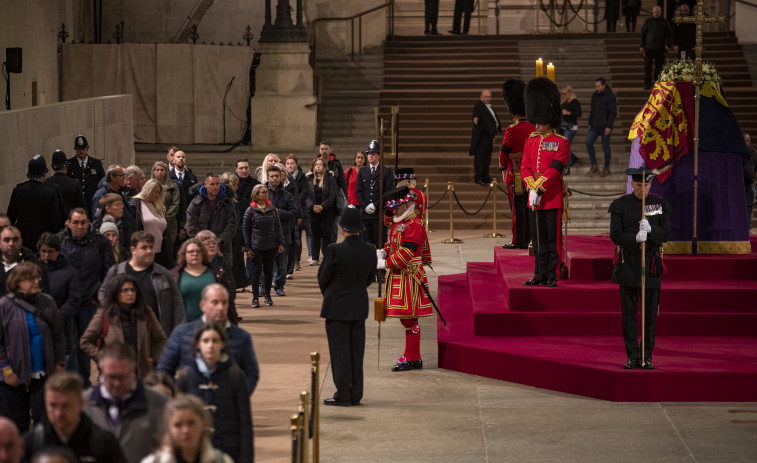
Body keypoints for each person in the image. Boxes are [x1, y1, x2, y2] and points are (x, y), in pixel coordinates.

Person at [610, 166, 670, 369]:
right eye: (638, 185)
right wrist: (634, 238)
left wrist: (652, 231)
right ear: (632, 184)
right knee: (629, 314)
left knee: (650, 315)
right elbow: (615, 235)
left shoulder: (658, 204)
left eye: (646, 185)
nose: (642, 189)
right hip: (628, 263)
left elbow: (666, 234)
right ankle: (632, 355)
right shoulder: (620, 205)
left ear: (650, 184)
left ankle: (647, 355)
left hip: (651, 264)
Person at [318, 207, 376, 406]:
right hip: (358, 305)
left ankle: (343, 395)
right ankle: (355, 394)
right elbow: (370, 278)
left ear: (342, 228)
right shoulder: (369, 249)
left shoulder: (334, 250)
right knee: (356, 352)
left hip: (336, 307)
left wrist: (332, 294)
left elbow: (323, 278)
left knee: (340, 353)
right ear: (359, 229)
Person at [156, 284, 259, 396]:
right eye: (215, 303)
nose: (220, 308)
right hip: (191, 408)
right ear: (203, 306)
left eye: (224, 303)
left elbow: (251, 374)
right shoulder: (181, 334)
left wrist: (237, 397)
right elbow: (163, 372)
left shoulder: (242, 337)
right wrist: (181, 396)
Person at [0, 262, 66, 432]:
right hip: (14, 376)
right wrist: (6, 371)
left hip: (43, 374)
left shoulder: (47, 302)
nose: (36, 281)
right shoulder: (4, 305)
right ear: (16, 282)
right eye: (29, 279)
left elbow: (58, 336)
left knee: (43, 422)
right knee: (18, 422)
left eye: (37, 277)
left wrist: (59, 364)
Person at [175, 323, 253, 463]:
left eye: (215, 341)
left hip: (228, 451)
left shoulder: (235, 376)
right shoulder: (186, 377)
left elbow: (245, 423)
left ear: (222, 344)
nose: (210, 346)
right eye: (205, 341)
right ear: (198, 344)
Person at [377, 186, 433, 372]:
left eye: (398, 207)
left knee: (410, 320)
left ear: (407, 204)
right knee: (408, 320)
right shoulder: (401, 223)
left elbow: (406, 253)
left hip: (409, 277)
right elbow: (394, 242)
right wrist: (385, 251)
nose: (394, 210)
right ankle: (413, 356)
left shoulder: (414, 226)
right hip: (400, 276)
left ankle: (412, 357)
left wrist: (386, 263)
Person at [82, 343, 168, 463]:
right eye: (111, 377)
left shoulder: (159, 403)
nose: (117, 383)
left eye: (122, 377)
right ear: (101, 370)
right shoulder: (82, 403)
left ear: (133, 370)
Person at [521, 77, 570, 288]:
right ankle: (539, 273)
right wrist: (531, 187)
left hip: (551, 198)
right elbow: (525, 166)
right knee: (537, 239)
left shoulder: (561, 142)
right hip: (534, 198)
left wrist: (539, 186)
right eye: (536, 121)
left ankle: (552, 273)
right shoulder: (530, 141)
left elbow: (556, 168)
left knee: (552, 240)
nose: (538, 125)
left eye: (541, 121)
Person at [58, 208, 115, 385]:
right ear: (69, 223)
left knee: (85, 345)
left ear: (89, 222)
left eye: (83, 222)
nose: (80, 226)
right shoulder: (60, 241)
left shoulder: (99, 242)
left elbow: (109, 271)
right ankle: (72, 384)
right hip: (66, 303)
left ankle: (83, 384)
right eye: (76, 222)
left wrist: (101, 297)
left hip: (89, 301)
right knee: (68, 346)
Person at [23, 372, 128, 463]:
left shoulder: (105, 443)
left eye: (66, 405)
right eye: (53, 405)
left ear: (81, 404)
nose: (59, 413)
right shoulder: (31, 444)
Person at [98, 231, 186, 337]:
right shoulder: (117, 272)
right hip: (125, 336)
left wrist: (180, 330)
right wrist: (111, 312)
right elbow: (103, 292)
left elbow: (177, 301)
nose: (149, 251)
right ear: (133, 250)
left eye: (151, 247)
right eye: (144, 248)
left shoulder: (164, 274)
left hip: (157, 336)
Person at [81, 274, 166, 378]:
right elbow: (85, 342)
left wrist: (153, 358)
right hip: (114, 374)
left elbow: (161, 339)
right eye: (125, 290)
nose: (130, 294)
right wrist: (103, 359)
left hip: (142, 374)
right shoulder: (105, 314)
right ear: (116, 294)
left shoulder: (145, 312)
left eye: (133, 290)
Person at [139, 395, 233, 463]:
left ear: (203, 424)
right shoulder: (153, 461)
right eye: (178, 425)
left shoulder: (223, 460)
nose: (185, 430)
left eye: (191, 423)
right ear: (169, 429)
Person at [499, 79, 535, 250]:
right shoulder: (534, 127)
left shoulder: (511, 129)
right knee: (529, 208)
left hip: (514, 174)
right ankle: (529, 238)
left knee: (517, 210)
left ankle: (517, 240)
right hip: (532, 174)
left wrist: (502, 167)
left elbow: (503, 153)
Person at [7, 155, 66, 252]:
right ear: (43, 174)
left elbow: (11, 218)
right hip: (44, 244)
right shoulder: (50, 192)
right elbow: (56, 221)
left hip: (23, 243)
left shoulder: (18, 190)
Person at [171, 239, 238, 322]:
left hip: (213, 326)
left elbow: (229, 303)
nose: (195, 254)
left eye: (198, 251)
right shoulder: (174, 276)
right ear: (184, 255)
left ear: (203, 253)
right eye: (191, 251)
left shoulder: (217, 273)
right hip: (184, 327)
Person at [36, 233, 81, 355]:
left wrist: (56, 317)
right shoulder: (33, 269)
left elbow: (74, 300)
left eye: (50, 252)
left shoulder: (69, 272)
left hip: (61, 328)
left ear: (58, 251)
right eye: (43, 251)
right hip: (37, 327)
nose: (46, 255)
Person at [242, 185, 284, 307]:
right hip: (256, 246)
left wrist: (281, 242)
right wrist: (248, 247)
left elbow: (278, 227)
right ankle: (255, 298)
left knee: (268, 272)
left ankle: (268, 296)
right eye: (263, 192)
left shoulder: (272, 209)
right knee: (256, 272)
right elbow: (245, 230)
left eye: (266, 192)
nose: (267, 194)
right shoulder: (250, 210)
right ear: (256, 195)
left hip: (270, 246)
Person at [185, 172, 236, 260]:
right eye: (212, 184)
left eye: (217, 184)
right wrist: (203, 242)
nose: (215, 187)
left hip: (222, 248)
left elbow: (232, 224)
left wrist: (218, 241)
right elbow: (191, 224)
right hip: (201, 248)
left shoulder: (227, 202)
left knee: (223, 272)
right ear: (205, 185)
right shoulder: (196, 202)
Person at [265, 165, 298, 296]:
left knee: (282, 265)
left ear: (281, 177)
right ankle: (264, 286)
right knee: (266, 264)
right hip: (266, 234)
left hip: (283, 234)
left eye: (277, 176)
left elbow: (293, 213)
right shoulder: (262, 193)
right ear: (267, 178)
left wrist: (278, 212)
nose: (274, 179)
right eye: (272, 176)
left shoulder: (287, 195)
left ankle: (279, 286)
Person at [356, 140, 394, 249]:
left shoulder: (386, 171)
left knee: (380, 244)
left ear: (379, 155)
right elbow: (358, 191)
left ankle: (380, 265)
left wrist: (375, 205)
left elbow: (388, 192)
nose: (370, 156)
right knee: (365, 244)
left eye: (373, 154)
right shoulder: (363, 171)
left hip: (379, 214)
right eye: (369, 154)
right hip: (365, 214)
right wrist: (364, 206)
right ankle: (367, 265)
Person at [129, 179, 171, 268]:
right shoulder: (135, 204)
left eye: (159, 192)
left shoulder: (159, 207)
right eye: (154, 192)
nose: (157, 195)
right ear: (147, 190)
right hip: (142, 251)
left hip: (160, 252)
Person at [0, 226, 50, 298]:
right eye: (6, 240)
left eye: (15, 240)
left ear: (21, 242)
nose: (11, 243)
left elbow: (42, 295)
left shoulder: (34, 266)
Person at [306, 157, 338, 266]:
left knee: (326, 235)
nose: (318, 166)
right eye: (316, 165)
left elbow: (333, 195)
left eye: (320, 164)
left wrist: (322, 206)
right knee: (314, 235)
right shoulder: (309, 179)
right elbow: (305, 196)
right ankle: (314, 257)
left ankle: (326, 256)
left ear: (324, 167)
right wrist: (312, 206)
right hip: (312, 211)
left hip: (327, 212)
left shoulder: (330, 178)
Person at [66, 135, 105, 218]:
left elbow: (102, 182)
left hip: (93, 205)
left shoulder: (96, 163)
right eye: (79, 149)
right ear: (75, 150)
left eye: (83, 149)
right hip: (76, 207)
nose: (81, 151)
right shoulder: (69, 164)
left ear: (87, 149)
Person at [585, 77, 617, 177]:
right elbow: (592, 110)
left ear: (604, 85)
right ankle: (594, 165)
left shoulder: (610, 96)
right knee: (588, 142)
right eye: (596, 86)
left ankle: (606, 168)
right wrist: (590, 122)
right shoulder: (595, 95)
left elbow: (613, 113)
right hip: (594, 125)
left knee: (605, 146)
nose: (597, 88)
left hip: (604, 126)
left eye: (598, 86)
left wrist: (609, 126)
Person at [640, 6, 676, 90]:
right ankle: (647, 84)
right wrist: (641, 45)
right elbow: (643, 34)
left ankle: (657, 84)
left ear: (660, 12)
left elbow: (669, 34)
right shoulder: (648, 21)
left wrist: (668, 45)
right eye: (655, 11)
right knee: (647, 68)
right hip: (648, 48)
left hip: (660, 48)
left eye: (658, 12)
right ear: (652, 12)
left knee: (659, 68)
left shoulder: (664, 22)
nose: (656, 13)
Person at [470, 89, 501, 185]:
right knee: (480, 157)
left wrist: (493, 135)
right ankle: (479, 177)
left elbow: (493, 121)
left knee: (487, 158)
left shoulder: (489, 107)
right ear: (481, 97)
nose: (488, 98)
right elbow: (476, 114)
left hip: (489, 136)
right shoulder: (479, 106)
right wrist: (476, 118)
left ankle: (486, 176)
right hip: (482, 137)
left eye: (489, 97)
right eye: (486, 96)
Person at [287, 154, 311, 271]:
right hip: (287, 211)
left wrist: (293, 202)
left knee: (297, 238)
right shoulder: (283, 177)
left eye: (292, 163)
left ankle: (296, 261)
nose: (290, 166)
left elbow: (304, 192)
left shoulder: (302, 177)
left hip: (299, 210)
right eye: (288, 163)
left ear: (296, 165)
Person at [92, 193, 133, 259]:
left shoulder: (126, 224)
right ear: (108, 209)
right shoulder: (97, 225)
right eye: (117, 205)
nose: (122, 207)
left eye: (121, 204)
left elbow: (130, 247)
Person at [151, 161, 180, 251]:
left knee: (169, 248)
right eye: (157, 170)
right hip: (153, 220)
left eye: (162, 170)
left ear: (166, 172)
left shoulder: (173, 185)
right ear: (153, 172)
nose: (160, 172)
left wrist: (166, 217)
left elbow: (175, 203)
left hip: (169, 221)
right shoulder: (149, 185)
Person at [46, 150, 85, 215]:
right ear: (67, 166)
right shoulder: (74, 183)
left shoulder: (47, 183)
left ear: (53, 168)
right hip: (71, 221)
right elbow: (81, 208)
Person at [560, 85, 582, 174]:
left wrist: (568, 113)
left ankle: (568, 165)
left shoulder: (575, 102)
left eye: (565, 94)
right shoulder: (563, 102)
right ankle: (573, 159)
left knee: (566, 146)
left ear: (570, 93)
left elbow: (579, 113)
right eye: (562, 94)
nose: (563, 95)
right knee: (563, 146)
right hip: (563, 126)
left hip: (571, 127)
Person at [744, 133, 757, 233]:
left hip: (750, 183)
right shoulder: (738, 152)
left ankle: (748, 228)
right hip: (740, 184)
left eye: (748, 140)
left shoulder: (753, 152)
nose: (746, 142)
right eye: (744, 140)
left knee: (750, 207)